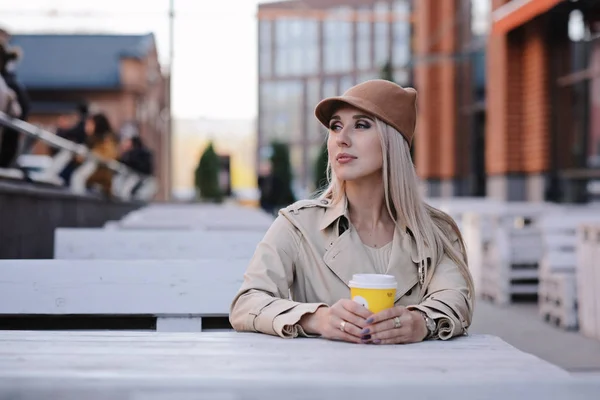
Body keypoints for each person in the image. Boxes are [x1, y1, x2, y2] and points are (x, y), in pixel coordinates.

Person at [229, 79, 474, 344]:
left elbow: (455, 299)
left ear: (392, 141)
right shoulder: (298, 225)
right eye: (336, 126)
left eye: (361, 125)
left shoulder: (436, 231)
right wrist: (316, 319)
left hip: (415, 377)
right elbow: (247, 302)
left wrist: (420, 322)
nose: (342, 139)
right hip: (324, 377)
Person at [83, 113, 118, 197]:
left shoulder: (107, 140)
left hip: (101, 180)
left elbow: (109, 156)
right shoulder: (91, 140)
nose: (86, 127)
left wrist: (91, 154)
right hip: (92, 177)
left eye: (90, 124)